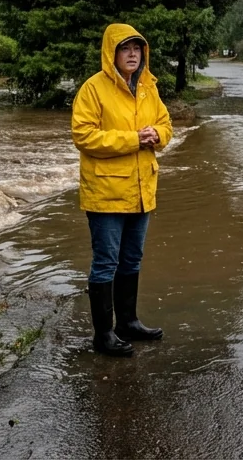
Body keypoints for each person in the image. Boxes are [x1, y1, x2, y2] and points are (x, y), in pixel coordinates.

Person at [71, 23, 174, 357]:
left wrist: (157, 135)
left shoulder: (148, 88)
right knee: (106, 262)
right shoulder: (93, 89)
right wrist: (134, 139)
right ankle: (103, 335)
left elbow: (166, 126)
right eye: (125, 48)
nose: (132, 54)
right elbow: (83, 136)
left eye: (137, 48)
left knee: (132, 259)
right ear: (111, 53)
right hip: (105, 193)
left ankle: (127, 323)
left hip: (142, 189)